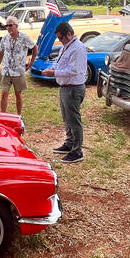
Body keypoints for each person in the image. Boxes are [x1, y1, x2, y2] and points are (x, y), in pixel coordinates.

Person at [41, 21, 87, 163]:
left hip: (73, 88)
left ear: (69, 34)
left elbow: (74, 70)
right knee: (67, 118)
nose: (60, 41)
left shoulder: (78, 48)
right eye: (58, 38)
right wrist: (53, 69)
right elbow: (60, 62)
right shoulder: (66, 47)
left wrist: (54, 73)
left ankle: (77, 151)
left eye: (61, 38)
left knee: (74, 120)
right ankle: (69, 143)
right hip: (65, 88)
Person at [0, 17, 37, 115]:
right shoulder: (5, 38)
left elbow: (34, 47)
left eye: (10, 25)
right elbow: (0, 53)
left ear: (16, 26)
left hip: (18, 71)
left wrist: (31, 62)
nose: (8, 28)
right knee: (4, 93)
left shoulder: (24, 37)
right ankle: (3, 116)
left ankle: (19, 115)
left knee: (18, 93)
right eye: (6, 26)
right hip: (6, 70)